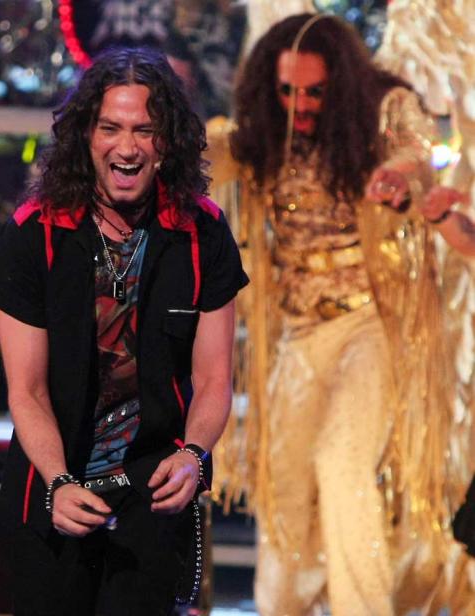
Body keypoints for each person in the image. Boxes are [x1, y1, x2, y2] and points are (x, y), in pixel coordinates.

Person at [207, 12, 470, 615]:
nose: (299, 103)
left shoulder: (384, 109)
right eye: (286, 89)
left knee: (341, 459)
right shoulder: (266, 132)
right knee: (285, 484)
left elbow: (414, 157)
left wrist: (395, 180)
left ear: (341, 85)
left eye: (314, 91)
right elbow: (210, 158)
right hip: (298, 333)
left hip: (369, 325)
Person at [0, 46, 248, 616]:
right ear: (85, 136)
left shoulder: (203, 233)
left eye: (144, 130)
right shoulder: (35, 233)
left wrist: (196, 454)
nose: (127, 147)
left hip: (153, 495)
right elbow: (25, 391)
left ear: (167, 141)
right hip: (52, 492)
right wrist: (58, 482)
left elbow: (214, 376)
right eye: (111, 128)